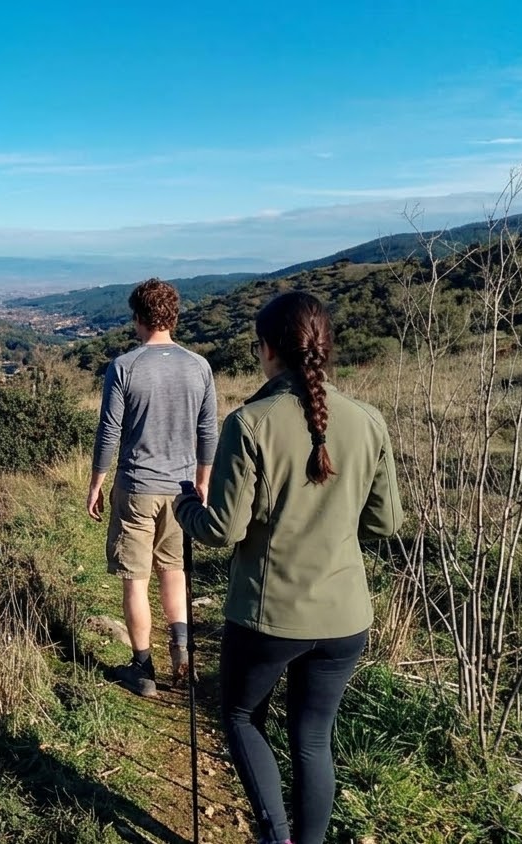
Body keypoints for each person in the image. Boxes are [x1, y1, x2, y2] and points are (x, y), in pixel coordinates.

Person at [172, 291, 403, 844]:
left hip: (268, 615)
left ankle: (274, 836)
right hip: (346, 618)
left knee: (242, 717)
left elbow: (221, 530)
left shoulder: (250, 423)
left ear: (268, 349)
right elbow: (386, 522)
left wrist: (185, 508)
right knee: (313, 737)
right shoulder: (368, 421)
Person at [88, 279, 218, 696]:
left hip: (137, 486)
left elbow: (109, 433)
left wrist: (96, 483)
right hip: (181, 491)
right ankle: (182, 653)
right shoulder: (199, 366)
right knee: (174, 573)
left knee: (135, 580)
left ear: (139, 317)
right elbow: (207, 431)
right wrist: (202, 481)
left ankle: (142, 668)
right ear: (172, 316)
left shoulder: (125, 366)